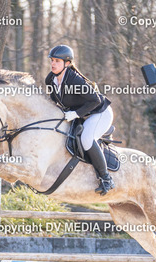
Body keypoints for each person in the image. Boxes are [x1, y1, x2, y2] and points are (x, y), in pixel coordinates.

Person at [44, 45, 114, 195]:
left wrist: (76, 113)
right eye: (52, 60)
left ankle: (106, 178)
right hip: (82, 114)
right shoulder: (50, 79)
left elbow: (95, 100)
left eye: (57, 61)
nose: (53, 64)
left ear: (67, 63)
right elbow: (54, 101)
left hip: (100, 112)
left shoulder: (74, 80)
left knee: (86, 139)